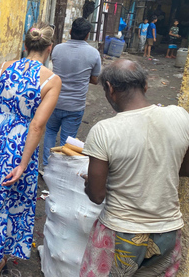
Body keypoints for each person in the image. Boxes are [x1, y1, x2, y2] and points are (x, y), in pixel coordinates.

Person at [0, 22, 61, 275]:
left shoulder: (4, 67)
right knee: (11, 197)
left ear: (25, 44)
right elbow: (37, 126)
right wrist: (22, 163)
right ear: (49, 48)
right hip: (20, 143)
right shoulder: (51, 80)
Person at [80, 59, 189, 276]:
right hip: (167, 233)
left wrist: (90, 182)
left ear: (110, 89)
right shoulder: (180, 116)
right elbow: (184, 169)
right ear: (146, 86)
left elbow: (96, 195)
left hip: (121, 234)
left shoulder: (104, 131)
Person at [42, 18, 101, 167]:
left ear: (70, 31)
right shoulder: (93, 53)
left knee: (50, 132)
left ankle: (46, 165)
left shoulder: (57, 49)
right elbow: (95, 80)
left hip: (54, 101)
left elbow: (57, 69)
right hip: (75, 105)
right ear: (87, 35)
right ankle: (60, 168)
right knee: (67, 140)